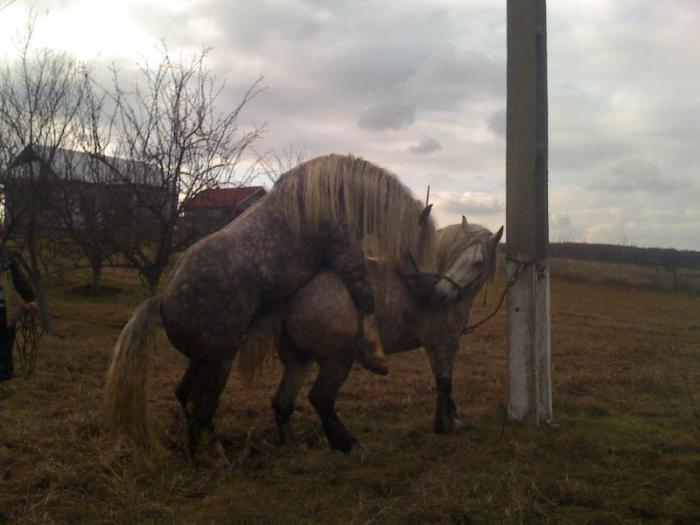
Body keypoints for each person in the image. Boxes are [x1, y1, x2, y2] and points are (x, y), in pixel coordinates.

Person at [0, 226, 37, 381]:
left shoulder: (6, 259)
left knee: (6, 344)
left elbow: (19, 280)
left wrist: (30, 299)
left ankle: (5, 374)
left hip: (5, 310)